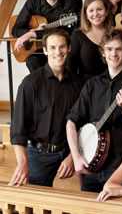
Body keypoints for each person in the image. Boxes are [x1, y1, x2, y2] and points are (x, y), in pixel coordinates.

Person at [66, 29, 122, 192]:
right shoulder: (92, 85)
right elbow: (71, 122)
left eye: (118, 49)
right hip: (92, 165)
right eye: (109, 49)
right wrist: (76, 157)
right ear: (103, 53)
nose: (114, 53)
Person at [8, 28, 82, 187]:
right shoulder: (30, 83)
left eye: (62, 46)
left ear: (69, 48)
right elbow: (17, 129)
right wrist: (22, 163)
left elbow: (83, 124)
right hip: (38, 154)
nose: (58, 52)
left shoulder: (78, 84)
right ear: (45, 50)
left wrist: (71, 157)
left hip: (67, 153)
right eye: (53, 47)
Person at [12, 0, 82, 73]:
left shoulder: (72, 1)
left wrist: (34, 34)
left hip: (64, 51)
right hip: (42, 51)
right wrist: (29, 31)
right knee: (32, 61)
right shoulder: (34, 1)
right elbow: (15, 29)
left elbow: (68, 31)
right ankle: (43, 88)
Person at [67, 0, 113, 83]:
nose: (95, 14)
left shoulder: (114, 34)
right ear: (86, 14)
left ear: (106, 12)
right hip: (86, 88)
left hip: (111, 85)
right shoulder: (78, 36)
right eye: (91, 10)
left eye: (99, 9)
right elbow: (71, 69)